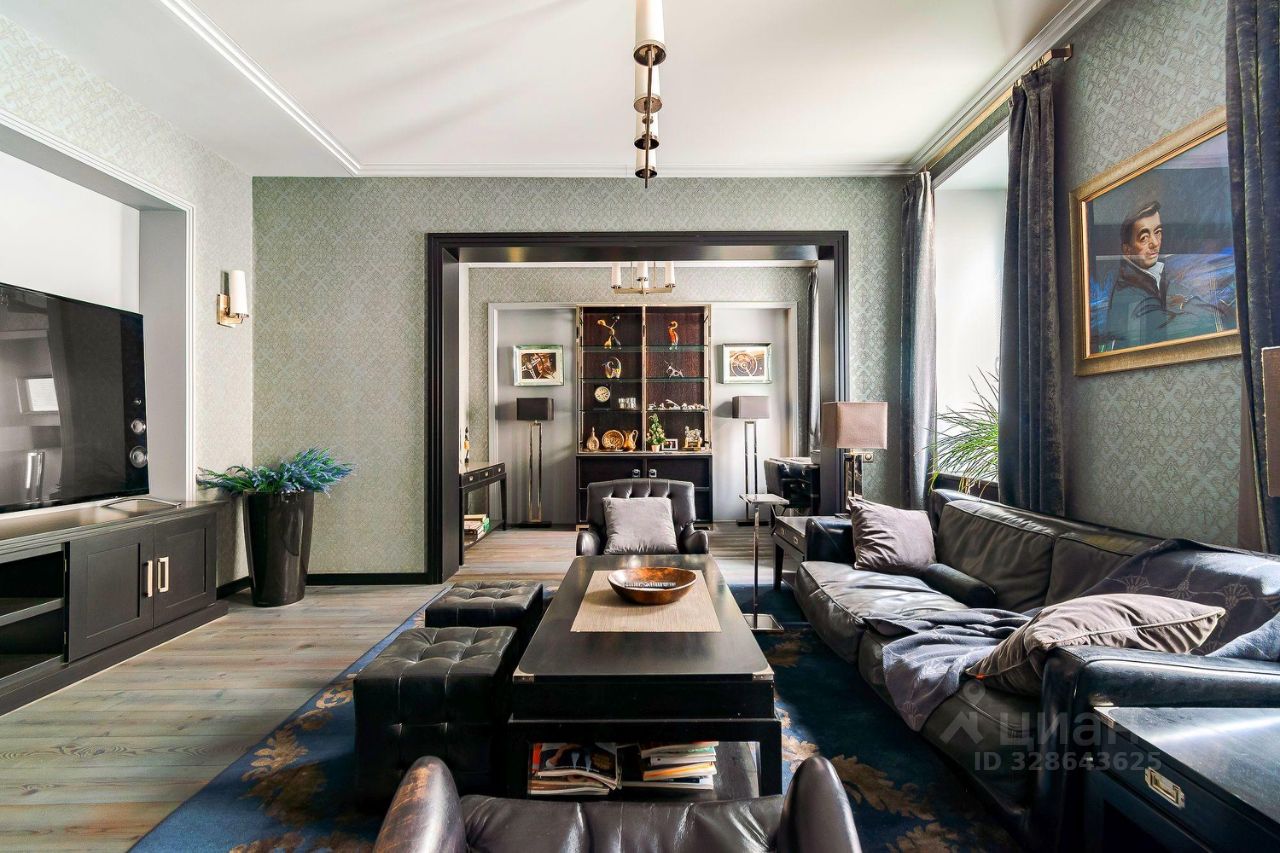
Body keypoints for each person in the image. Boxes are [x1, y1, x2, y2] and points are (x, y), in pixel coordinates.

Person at [1101, 200, 1230, 351]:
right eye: (1144, 238)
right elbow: (1169, 328)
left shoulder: (1158, 275)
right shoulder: (1128, 291)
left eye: (1158, 232)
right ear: (1127, 250)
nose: (1155, 243)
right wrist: (1199, 305)